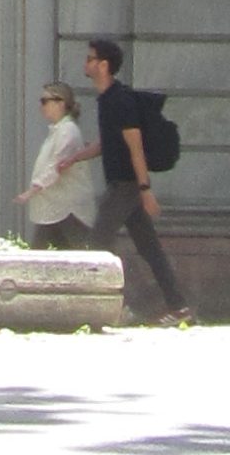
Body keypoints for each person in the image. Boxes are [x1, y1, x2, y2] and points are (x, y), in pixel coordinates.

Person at [76, 35, 191, 322]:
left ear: (103, 65)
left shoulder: (120, 100)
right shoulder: (106, 99)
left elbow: (135, 146)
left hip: (125, 187)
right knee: (150, 249)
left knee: (97, 245)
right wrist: (72, 158)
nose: (85, 63)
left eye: (90, 58)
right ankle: (180, 308)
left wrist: (145, 189)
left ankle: (110, 309)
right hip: (125, 187)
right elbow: (107, 143)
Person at [17, 81, 97, 247]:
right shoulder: (59, 130)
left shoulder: (67, 130)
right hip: (54, 206)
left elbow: (56, 165)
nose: (42, 106)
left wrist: (32, 190)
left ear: (60, 102)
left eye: (45, 101)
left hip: (68, 209)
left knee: (71, 257)